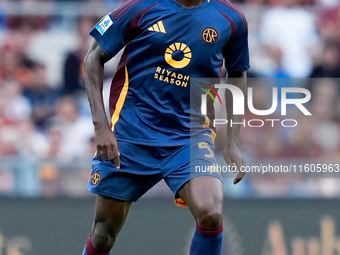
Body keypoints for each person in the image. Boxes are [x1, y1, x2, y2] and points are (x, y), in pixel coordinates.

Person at [81, 0, 249, 253]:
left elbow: (237, 73)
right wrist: (101, 127)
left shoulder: (231, 19)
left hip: (189, 136)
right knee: (104, 233)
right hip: (131, 133)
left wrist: (233, 141)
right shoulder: (141, 8)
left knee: (211, 213)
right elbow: (93, 57)